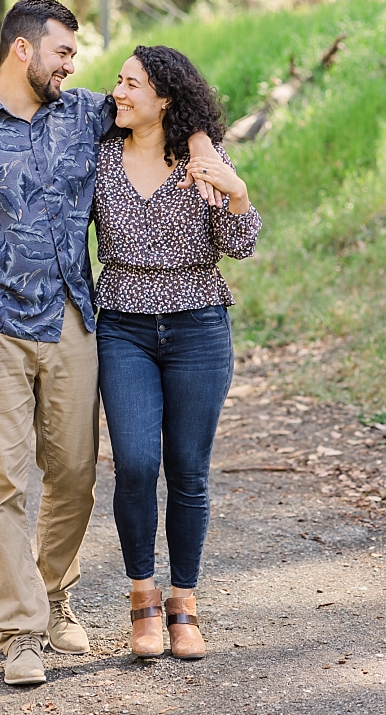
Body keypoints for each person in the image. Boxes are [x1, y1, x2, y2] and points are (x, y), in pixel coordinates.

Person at [0, 0, 222, 686]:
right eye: (63, 53)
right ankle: (21, 633)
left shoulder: (83, 115)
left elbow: (173, 112)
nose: (74, 67)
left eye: (74, 56)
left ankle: (55, 593)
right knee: (0, 485)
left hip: (74, 321)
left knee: (76, 476)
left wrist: (201, 147)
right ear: (24, 50)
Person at [92, 45, 260, 660]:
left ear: (164, 98)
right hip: (124, 328)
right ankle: (142, 597)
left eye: (132, 83)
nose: (119, 92)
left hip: (197, 328)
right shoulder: (101, 157)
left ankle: (183, 601)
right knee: (135, 463)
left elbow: (238, 244)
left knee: (188, 469)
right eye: (119, 81)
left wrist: (237, 195)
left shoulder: (203, 162)